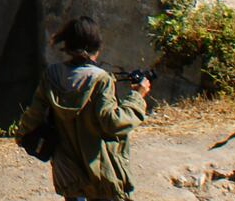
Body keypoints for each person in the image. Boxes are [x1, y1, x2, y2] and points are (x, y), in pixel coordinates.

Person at [15, 15, 150, 200]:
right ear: (97, 48)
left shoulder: (52, 76)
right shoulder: (101, 80)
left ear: (68, 46)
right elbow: (112, 122)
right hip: (102, 176)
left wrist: (22, 136)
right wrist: (137, 96)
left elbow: (33, 116)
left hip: (69, 176)